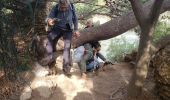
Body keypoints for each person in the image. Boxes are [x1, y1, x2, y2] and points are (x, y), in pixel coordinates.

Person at [45, 0, 80, 77]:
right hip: (57, 28)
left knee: (67, 47)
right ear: (59, 5)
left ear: (67, 4)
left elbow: (75, 19)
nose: (63, 9)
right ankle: (49, 61)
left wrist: (76, 29)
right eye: (62, 7)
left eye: (65, 7)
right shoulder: (56, 7)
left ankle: (66, 69)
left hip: (68, 29)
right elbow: (49, 17)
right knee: (49, 41)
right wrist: (49, 20)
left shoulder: (71, 6)